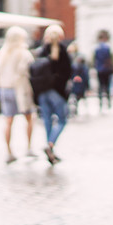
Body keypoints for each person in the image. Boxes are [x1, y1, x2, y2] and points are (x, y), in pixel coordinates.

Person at [0, 26, 35, 164]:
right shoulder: (23, 53)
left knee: (8, 121)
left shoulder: (2, 52)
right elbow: (27, 71)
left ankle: (9, 151)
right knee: (29, 117)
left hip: (4, 88)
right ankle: (28, 148)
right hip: (19, 88)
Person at [34, 25, 72, 165]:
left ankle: (50, 150)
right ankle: (50, 145)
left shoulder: (41, 51)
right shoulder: (63, 51)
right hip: (56, 91)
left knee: (47, 121)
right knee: (62, 120)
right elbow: (68, 72)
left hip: (42, 92)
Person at [93, 30, 113, 111]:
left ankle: (101, 103)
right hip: (107, 69)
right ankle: (108, 102)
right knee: (107, 86)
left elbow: (94, 60)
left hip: (99, 69)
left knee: (101, 86)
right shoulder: (107, 47)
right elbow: (110, 58)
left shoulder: (97, 48)